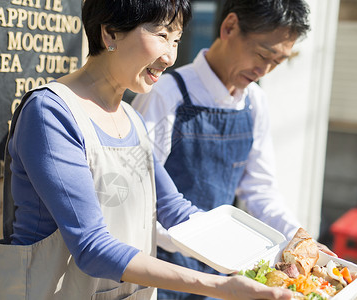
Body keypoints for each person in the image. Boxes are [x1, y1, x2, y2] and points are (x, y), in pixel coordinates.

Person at [0, 0, 294, 299]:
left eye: (176, 40)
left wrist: (276, 256)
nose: (170, 56)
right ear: (110, 33)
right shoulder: (50, 113)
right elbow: (91, 246)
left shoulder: (131, 118)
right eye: (162, 36)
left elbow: (176, 211)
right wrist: (219, 286)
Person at [132, 1, 335, 299]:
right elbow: (139, 198)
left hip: (226, 273)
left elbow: (259, 190)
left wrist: (297, 237)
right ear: (229, 27)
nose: (264, 70)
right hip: (164, 271)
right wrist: (211, 244)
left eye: (277, 62)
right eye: (263, 54)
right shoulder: (167, 94)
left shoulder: (255, 102)